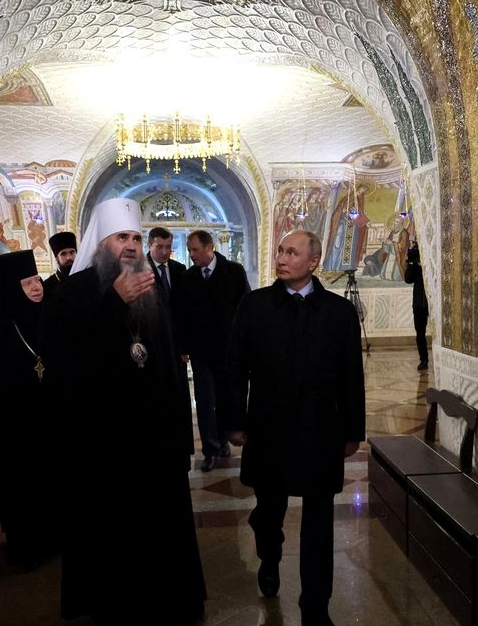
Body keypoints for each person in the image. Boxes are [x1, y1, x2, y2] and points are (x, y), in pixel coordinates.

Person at [41, 199, 205, 625]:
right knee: (111, 530)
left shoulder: (150, 287)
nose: (131, 245)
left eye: (135, 237)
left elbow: (165, 358)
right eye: (121, 238)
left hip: (154, 436)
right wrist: (113, 302)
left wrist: (179, 431)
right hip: (103, 440)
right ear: (102, 244)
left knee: (159, 526)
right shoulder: (73, 293)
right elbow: (67, 359)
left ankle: (165, 599)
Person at [225, 229, 365, 626]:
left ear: (313, 261)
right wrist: (234, 421)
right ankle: (269, 556)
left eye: (292, 252)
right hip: (268, 430)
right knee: (269, 512)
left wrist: (352, 430)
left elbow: (352, 376)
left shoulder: (339, 312)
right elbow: (235, 367)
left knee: (319, 522)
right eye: (280, 251)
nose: (282, 258)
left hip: (320, 432)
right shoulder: (254, 306)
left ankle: (315, 607)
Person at [0, 250, 54, 569]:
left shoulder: (49, 316)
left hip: (49, 424)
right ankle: (26, 548)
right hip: (15, 431)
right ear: (12, 288)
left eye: (37, 280)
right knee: (23, 490)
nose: (36, 287)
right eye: (27, 283)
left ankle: (54, 540)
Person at [177, 229, 250, 472]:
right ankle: (209, 449)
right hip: (200, 352)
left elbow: (245, 307)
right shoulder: (188, 277)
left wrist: (244, 343)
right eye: (189, 250)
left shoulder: (234, 272)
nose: (191, 255)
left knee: (225, 398)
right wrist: (183, 347)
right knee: (205, 402)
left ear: (210, 248)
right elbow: (182, 316)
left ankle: (223, 441)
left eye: (195, 250)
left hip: (227, 350)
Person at [403, 241, 430, 371]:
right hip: (419, 303)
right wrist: (413, 263)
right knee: (420, 332)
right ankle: (423, 359)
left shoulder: (432, 259)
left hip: (433, 301)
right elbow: (408, 279)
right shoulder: (415, 263)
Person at [42, 231, 77, 301]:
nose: (69, 257)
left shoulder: (86, 276)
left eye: (72, 252)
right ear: (57, 258)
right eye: (63, 254)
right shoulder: (47, 285)